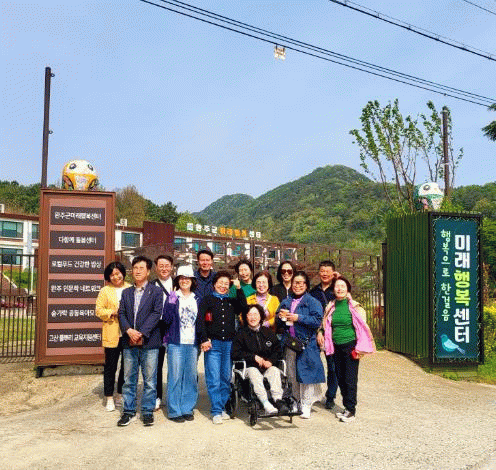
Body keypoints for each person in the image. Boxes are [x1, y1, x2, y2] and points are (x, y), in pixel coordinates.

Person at [317, 276, 375, 423]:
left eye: (343, 286)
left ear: (347, 289)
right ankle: (346, 408)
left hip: (351, 346)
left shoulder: (355, 307)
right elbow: (325, 324)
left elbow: (362, 328)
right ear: (333, 289)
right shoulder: (331, 306)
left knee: (350, 379)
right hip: (335, 346)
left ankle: (351, 410)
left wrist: (359, 348)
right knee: (340, 377)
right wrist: (321, 332)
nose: (340, 289)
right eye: (337, 286)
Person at [117, 256, 163, 427]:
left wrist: (141, 332)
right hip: (129, 341)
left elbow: (156, 313)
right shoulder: (126, 292)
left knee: (150, 380)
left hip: (149, 341)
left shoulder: (156, 291)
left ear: (148, 271)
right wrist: (129, 330)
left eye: (141, 268)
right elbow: (121, 313)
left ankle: (147, 411)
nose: (137, 271)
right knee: (129, 379)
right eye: (135, 268)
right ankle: (128, 411)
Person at [197, 271, 247, 424]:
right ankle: (216, 411)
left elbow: (244, 307)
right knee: (214, 378)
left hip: (229, 344)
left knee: (226, 377)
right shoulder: (207, 300)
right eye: (220, 283)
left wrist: (238, 289)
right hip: (213, 344)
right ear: (214, 284)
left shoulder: (231, 301)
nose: (223, 286)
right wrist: (204, 339)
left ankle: (224, 407)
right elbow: (200, 321)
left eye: (226, 283)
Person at [276, 270, 325, 419]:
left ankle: (306, 404)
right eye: (295, 283)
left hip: (307, 343)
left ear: (306, 285)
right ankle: (295, 401)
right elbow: (279, 323)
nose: (297, 286)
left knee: (307, 373)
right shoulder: (287, 301)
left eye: (300, 283)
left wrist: (298, 317)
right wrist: (280, 317)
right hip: (290, 342)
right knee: (291, 373)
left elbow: (317, 320)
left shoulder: (313, 302)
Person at [231, 304, 287, 415]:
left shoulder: (268, 332)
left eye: (255, 314)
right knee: (254, 373)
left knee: (275, 371)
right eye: (250, 314)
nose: (253, 317)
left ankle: (278, 400)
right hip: (248, 367)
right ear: (246, 317)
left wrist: (270, 361)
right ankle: (265, 403)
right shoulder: (241, 334)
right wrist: (253, 357)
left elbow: (278, 351)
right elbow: (236, 353)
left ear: (261, 316)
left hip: (266, 366)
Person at [162, 265, 200, 423]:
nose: (185, 281)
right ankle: (174, 410)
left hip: (192, 343)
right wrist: (171, 302)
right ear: (177, 280)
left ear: (192, 280)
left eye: (187, 278)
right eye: (182, 278)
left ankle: (187, 408)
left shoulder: (197, 298)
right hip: (175, 342)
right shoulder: (173, 296)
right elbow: (166, 320)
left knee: (190, 376)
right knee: (175, 376)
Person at [95, 261, 130, 412]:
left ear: (123, 273)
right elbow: (98, 310)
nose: (116, 277)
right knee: (111, 366)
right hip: (112, 333)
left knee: (126, 366)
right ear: (108, 277)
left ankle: (120, 394)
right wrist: (112, 312)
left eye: (118, 273)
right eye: (112, 275)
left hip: (128, 334)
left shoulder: (130, 288)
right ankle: (109, 396)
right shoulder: (105, 291)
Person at [310, 260, 339, 410]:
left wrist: (340, 279)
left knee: (333, 367)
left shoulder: (337, 289)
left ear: (333, 273)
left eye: (328, 271)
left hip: (333, 334)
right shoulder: (313, 291)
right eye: (322, 271)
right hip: (316, 332)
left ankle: (330, 396)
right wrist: (318, 331)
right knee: (313, 364)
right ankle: (311, 395)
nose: (325, 274)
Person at [150, 254, 174, 411]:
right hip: (157, 328)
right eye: (161, 266)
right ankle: (156, 397)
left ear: (171, 267)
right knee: (156, 364)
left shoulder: (178, 283)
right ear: (156, 268)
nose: (164, 269)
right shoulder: (151, 285)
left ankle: (174, 398)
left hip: (174, 327)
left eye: (167, 266)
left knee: (175, 364)